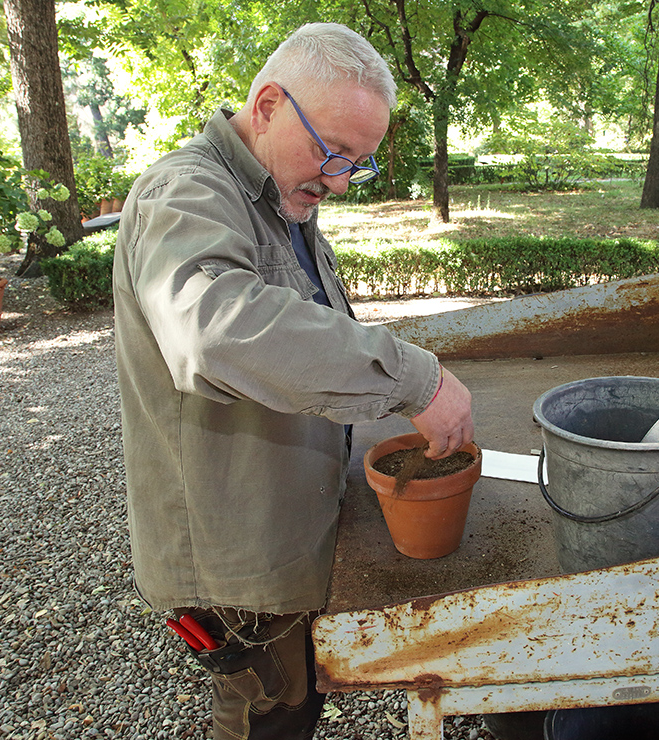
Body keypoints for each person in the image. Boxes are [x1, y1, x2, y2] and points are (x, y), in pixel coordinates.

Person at [112, 22, 474, 740]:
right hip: (237, 567)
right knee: (266, 717)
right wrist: (414, 379)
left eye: (358, 164)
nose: (338, 180)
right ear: (269, 104)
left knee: (295, 704)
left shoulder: (283, 199)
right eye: (331, 152)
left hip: (285, 535)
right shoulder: (185, 193)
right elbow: (215, 327)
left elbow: (299, 352)